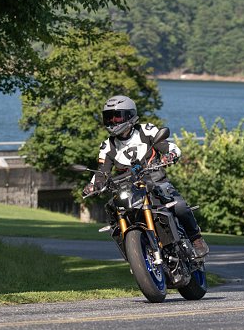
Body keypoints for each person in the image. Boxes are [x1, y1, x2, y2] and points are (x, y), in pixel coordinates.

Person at [83, 95, 209, 258]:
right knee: (114, 214)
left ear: (129, 116)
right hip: (129, 188)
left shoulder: (147, 131)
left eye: (117, 117)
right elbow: (102, 173)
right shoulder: (107, 146)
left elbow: (169, 147)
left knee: (179, 205)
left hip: (156, 180)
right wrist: (93, 185)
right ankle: (136, 255)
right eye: (109, 117)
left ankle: (196, 239)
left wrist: (170, 155)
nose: (113, 121)